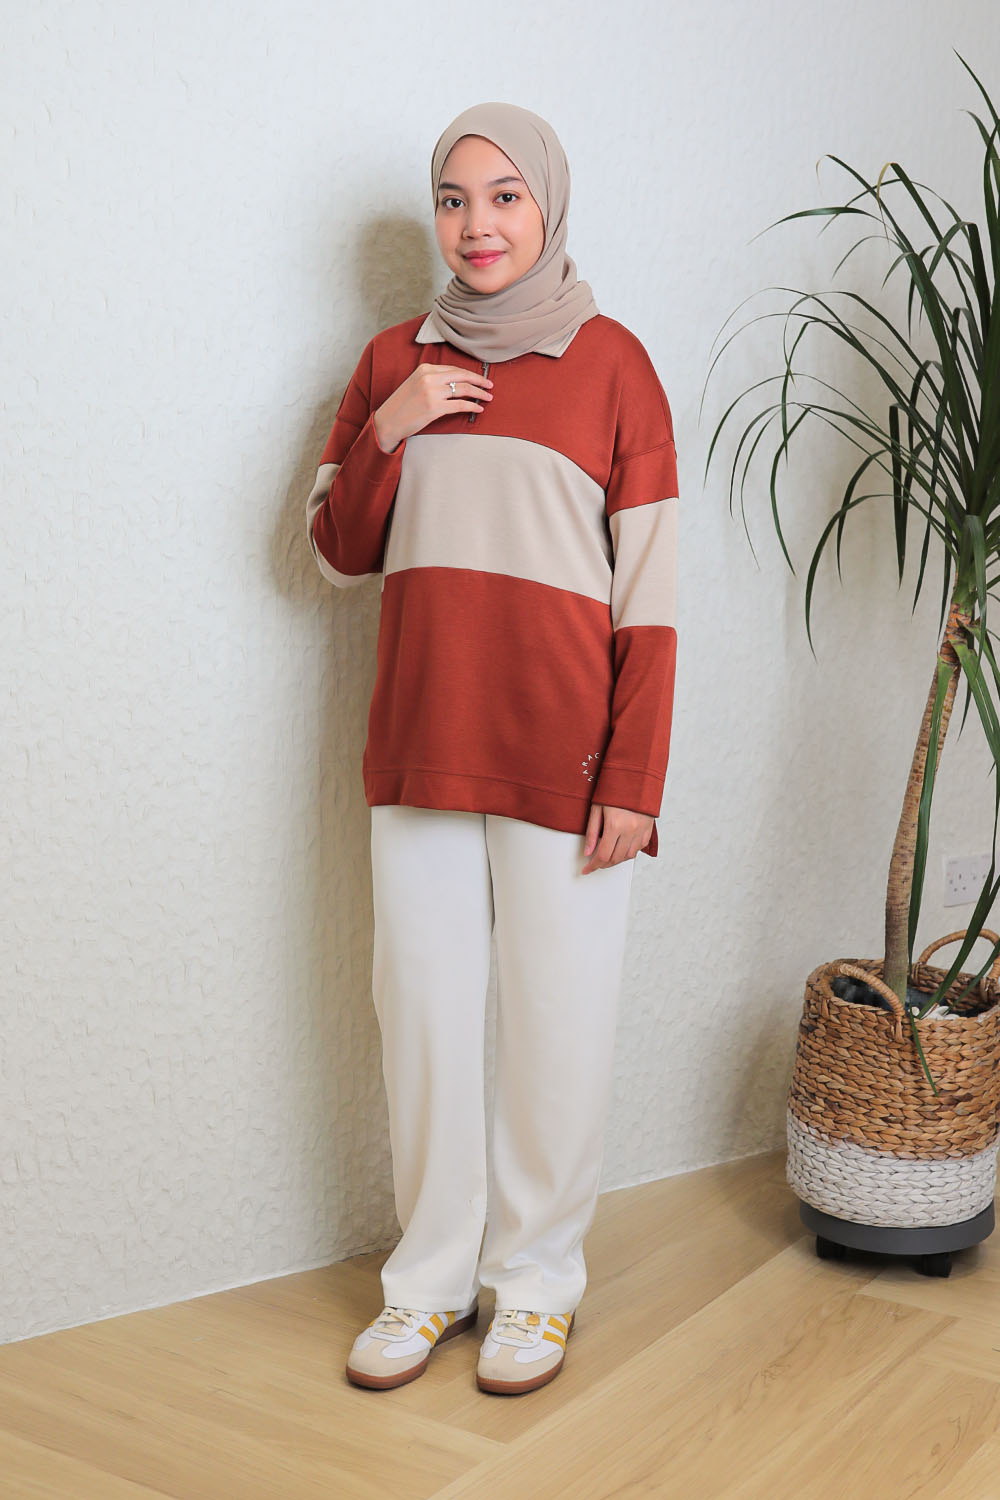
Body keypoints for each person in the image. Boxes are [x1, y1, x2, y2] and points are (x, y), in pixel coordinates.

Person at [305, 101, 679, 1396]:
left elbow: (652, 596)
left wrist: (634, 777)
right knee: (419, 1015)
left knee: (558, 1026)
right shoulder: (389, 362)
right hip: (422, 744)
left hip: (568, 762)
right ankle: (427, 1284)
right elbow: (337, 552)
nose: (477, 225)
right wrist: (393, 422)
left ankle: (536, 1287)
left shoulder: (616, 367)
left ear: (549, 204)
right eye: (454, 199)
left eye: (505, 196)